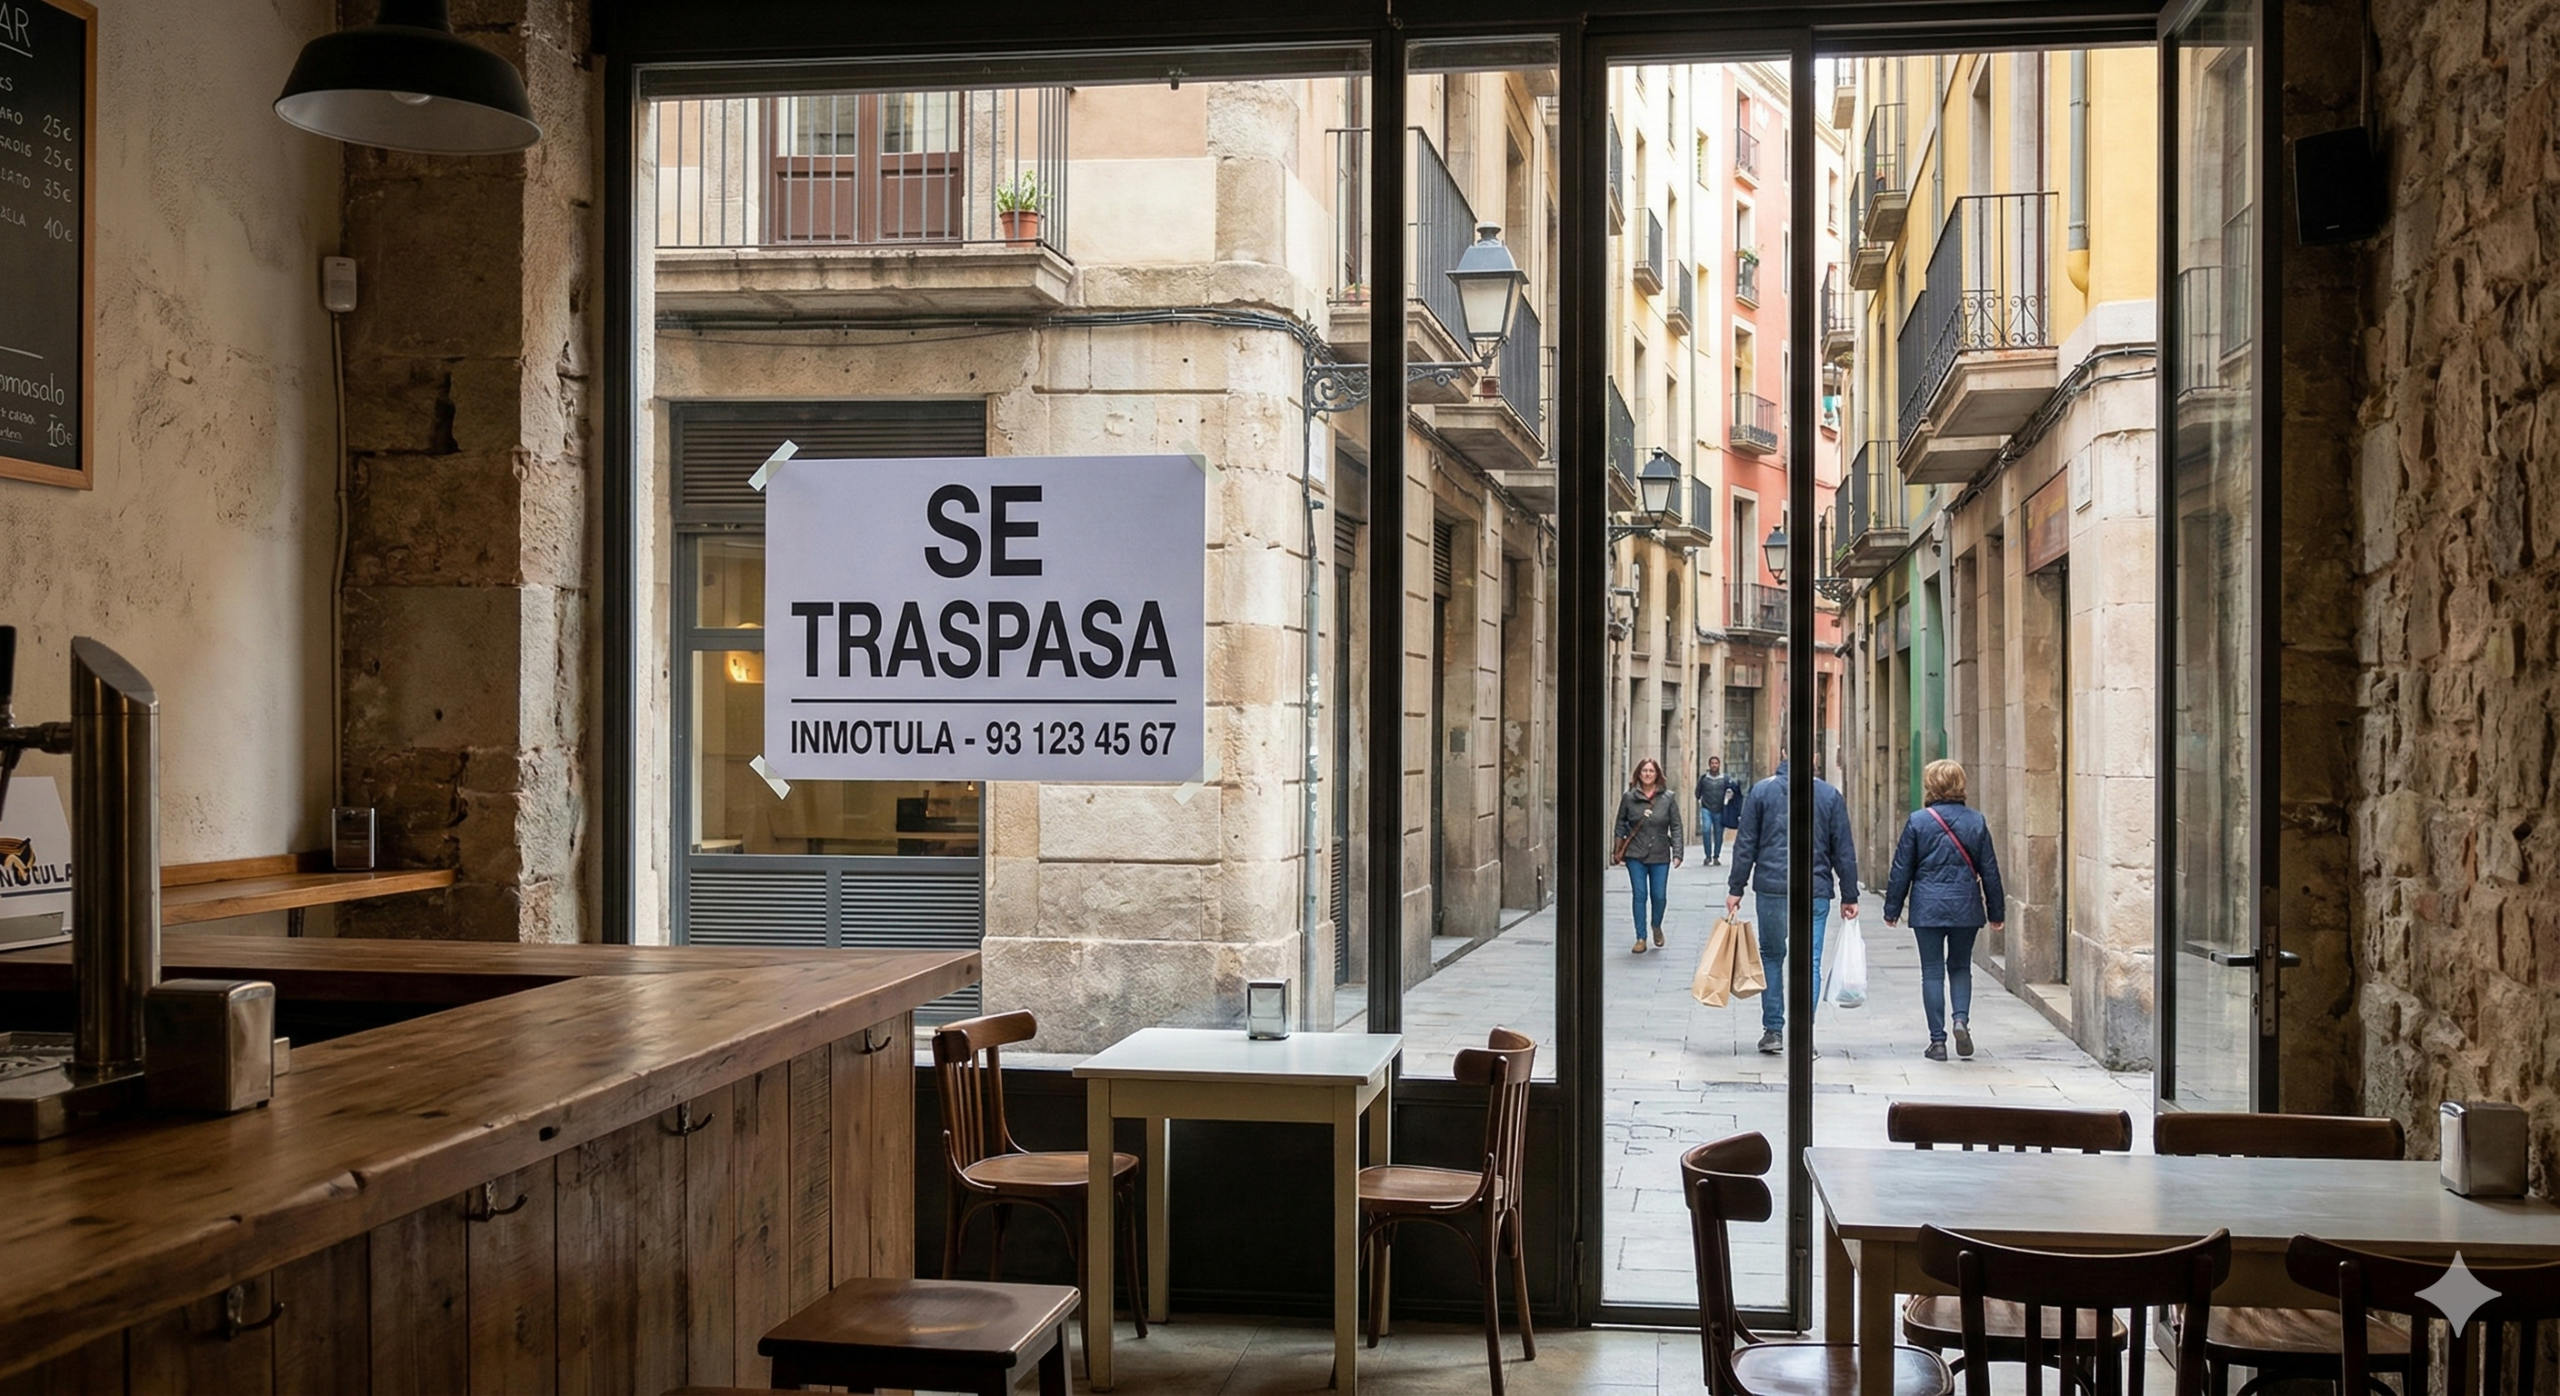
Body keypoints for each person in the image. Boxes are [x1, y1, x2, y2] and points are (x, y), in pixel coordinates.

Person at [1724, 754, 1859, 1054]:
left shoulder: (1761, 791)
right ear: (1813, 762)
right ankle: (1803, 1034)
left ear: (1783, 758)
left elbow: (1746, 843)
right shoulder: (1828, 795)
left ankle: (1773, 1030)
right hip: (1815, 890)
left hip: (1772, 888)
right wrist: (1849, 893)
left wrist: (1736, 888)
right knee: (1809, 961)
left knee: (1772, 956)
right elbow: (1843, 849)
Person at [1883, 758, 2007, 1061]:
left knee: (1932, 972)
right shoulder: (1975, 821)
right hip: (1965, 906)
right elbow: (1990, 870)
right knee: (1961, 967)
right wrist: (1996, 912)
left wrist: (1892, 909)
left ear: (1931, 785)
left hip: (1927, 906)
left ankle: (1937, 1042)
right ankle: (1960, 1020)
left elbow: (1902, 869)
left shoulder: (1918, 821)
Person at [1611, 757, 1683, 954]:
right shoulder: (1629, 798)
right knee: (1640, 895)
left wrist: (1677, 852)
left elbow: (1676, 826)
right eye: (1644, 771)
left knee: (1659, 896)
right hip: (1636, 854)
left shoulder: (1668, 798)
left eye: (1651, 771)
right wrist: (1617, 850)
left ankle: (1656, 926)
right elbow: (1620, 824)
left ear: (1657, 774)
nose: (1648, 774)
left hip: (1660, 854)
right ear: (1639, 774)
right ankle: (1640, 937)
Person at [1695, 755, 1741, 865]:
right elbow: (1697, 792)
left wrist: (1729, 797)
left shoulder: (1725, 779)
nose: (1714, 765)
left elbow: (1733, 790)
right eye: (1712, 763)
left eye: (1716, 763)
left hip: (1720, 810)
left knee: (1718, 833)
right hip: (1706, 808)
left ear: (1719, 765)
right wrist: (1700, 801)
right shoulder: (1704, 778)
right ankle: (1707, 856)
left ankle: (1716, 856)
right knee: (1706, 830)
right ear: (1709, 765)